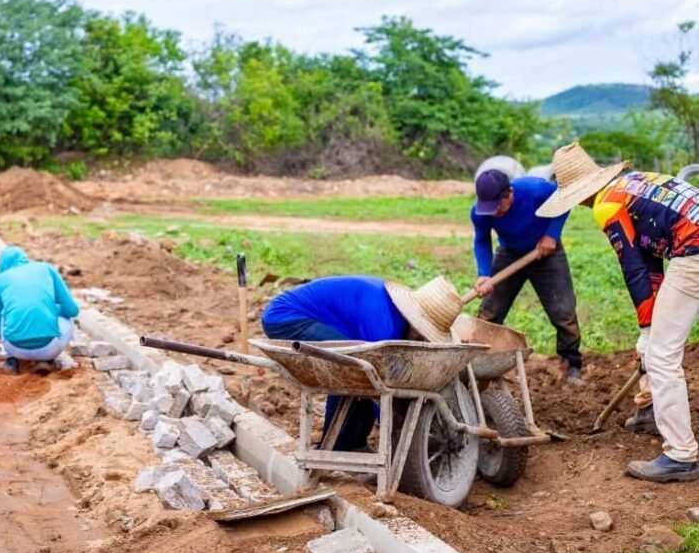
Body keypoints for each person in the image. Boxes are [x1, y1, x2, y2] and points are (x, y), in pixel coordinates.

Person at [537, 141, 699, 483]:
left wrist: (646, 331)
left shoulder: (607, 207)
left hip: (694, 250)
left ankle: (681, 455)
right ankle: (651, 408)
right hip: (689, 244)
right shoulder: (634, 182)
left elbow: (636, 269)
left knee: (661, 354)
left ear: (580, 193)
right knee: (659, 343)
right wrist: (651, 321)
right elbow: (652, 258)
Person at [260, 275, 460, 451]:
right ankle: (338, 446)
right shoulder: (385, 325)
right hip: (287, 317)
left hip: (319, 317)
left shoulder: (394, 315)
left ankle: (352, 443)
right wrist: (398, 430)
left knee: (357, 370)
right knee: (352, 371)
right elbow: (378, 384)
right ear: (415, 322)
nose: (421, 340)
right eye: (422, 334)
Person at [471, 169, 584, 384]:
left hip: (547, 253)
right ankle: (478, 363)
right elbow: (482, 240)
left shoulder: (536, 190)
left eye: (497, 208)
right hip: (509, 254)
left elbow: (565, 198)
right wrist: (484, 274)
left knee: (564, 312)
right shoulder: (479, 212)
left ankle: (571, 364)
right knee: (489, 312)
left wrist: (552, 235)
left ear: (510, 194)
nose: (493, 214)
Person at [0, 245, 79, 373]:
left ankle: (11, 361)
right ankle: (46, 360)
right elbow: (72, 310)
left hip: (14, 348)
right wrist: (53, 310)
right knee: (66, 316)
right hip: (49, 347)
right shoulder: (46, 269)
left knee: (6, 313)